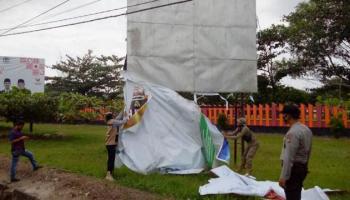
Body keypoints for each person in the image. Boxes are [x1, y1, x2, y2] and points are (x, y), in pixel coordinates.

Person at [279, 104, 313, 200]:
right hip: (302, 167)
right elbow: (309, 151)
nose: (282, 117)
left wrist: (284, 176)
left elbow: (289, 156)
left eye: (284, 114)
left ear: (288, 115)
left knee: (292, 196)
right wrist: (306, 166)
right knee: (296, 194)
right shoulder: (306, 129)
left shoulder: (292, 133)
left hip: (294, 169)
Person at [104, 111, 128, 181]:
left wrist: (124, 109)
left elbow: (119, 117)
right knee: (111, 160)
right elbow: (123, 121)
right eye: (113, 114)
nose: (114, 115)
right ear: (111, 116)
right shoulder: (112, 122)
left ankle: (111, 173)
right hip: (111, 144)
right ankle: (108, 175)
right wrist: (126, 116)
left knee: (111, 159)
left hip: (110, 144)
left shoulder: (110, 121)